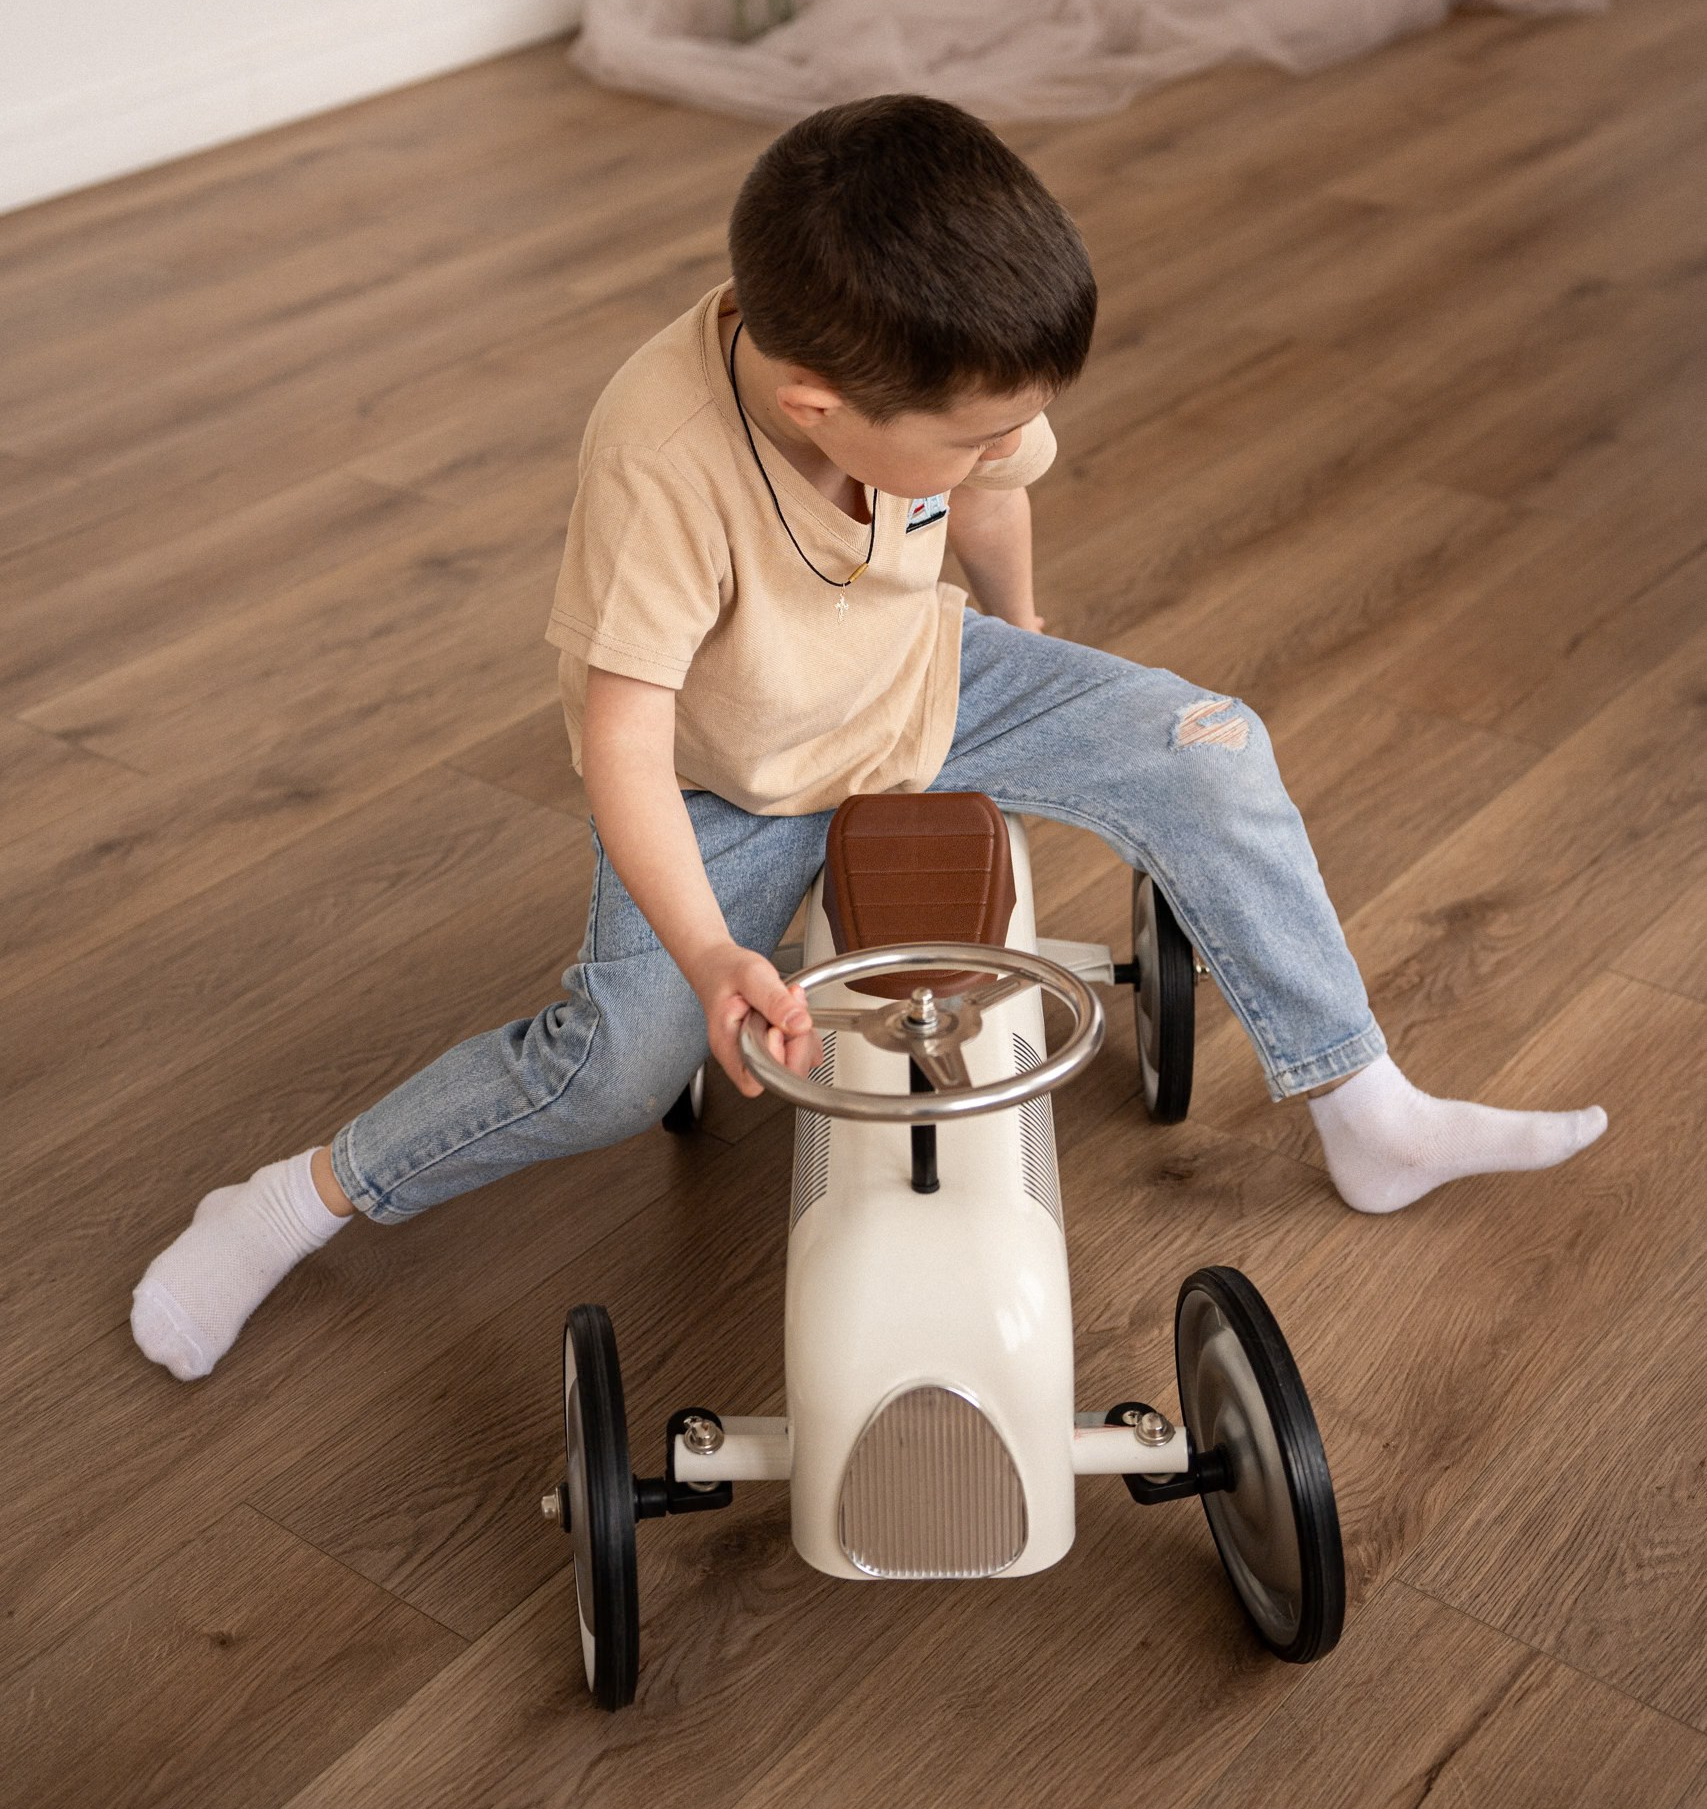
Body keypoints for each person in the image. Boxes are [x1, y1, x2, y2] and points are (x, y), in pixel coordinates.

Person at [132, 96, 1606, 1381]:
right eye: (971, 434)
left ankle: (1366, 1109)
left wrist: (1023, 633)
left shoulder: (949, 383)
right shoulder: (662, 462)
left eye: (1015, 421)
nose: (1002, 447)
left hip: (921, 679)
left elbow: (992, 488)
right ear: (817, 408)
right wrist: (712, 957)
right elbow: (624, 744)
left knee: (1210, 746)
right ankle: (296, 1200)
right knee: (613, 1073)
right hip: (730, 779)